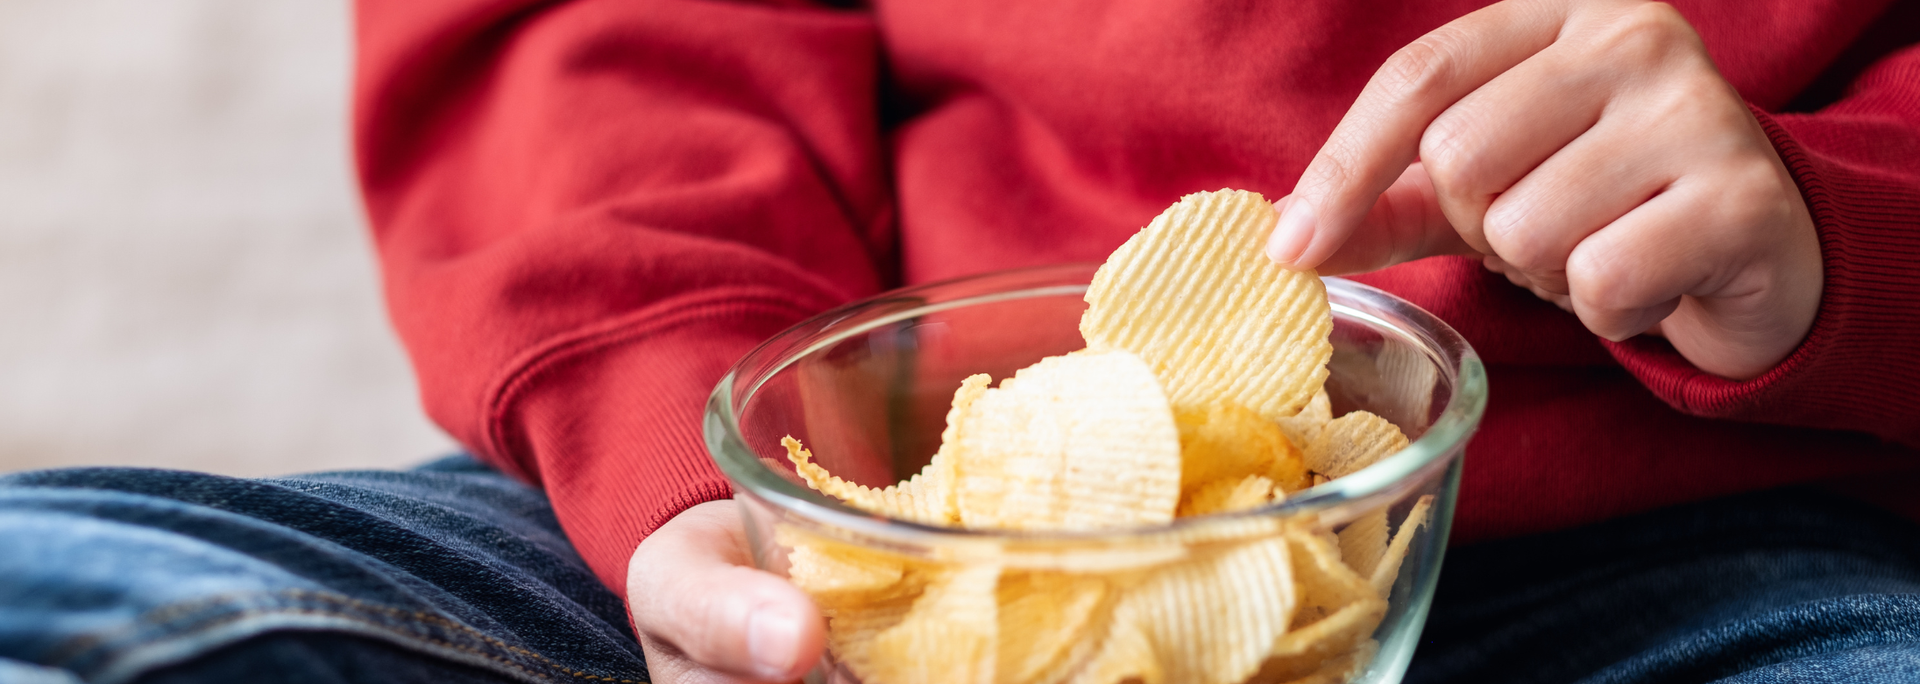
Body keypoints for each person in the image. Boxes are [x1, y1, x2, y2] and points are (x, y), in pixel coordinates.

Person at [4, 0, 1917, 681]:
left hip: (1726, 538)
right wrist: (673, 443)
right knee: (55, 596)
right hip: (852, 514)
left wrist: (1835, 225)